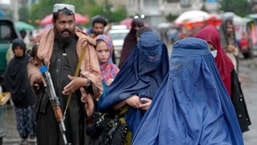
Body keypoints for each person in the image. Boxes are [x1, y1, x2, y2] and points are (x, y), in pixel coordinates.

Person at [132, 37, 244, 145]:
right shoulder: (162, 105)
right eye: (178, 66)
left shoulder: (215, 111)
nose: (183, 73)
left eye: (191, 67)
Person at [27, 3, 102, 145]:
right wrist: (35, 75)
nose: (66, 27)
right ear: (54, 23)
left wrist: (83, 82)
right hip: (48, 110)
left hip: (76, 111)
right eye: (62, 22)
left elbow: (96, 78)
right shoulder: (43, 44)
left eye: (70, 22)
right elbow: (33, 65)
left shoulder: (84, 45)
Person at [99, 32, 170, 145]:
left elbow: (175, 109)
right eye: (147, 55)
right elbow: (109, 104)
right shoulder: (128, 74)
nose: (151, 59)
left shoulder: (168, 78)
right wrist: (126, 98)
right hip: (127, 135)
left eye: (154, 55)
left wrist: (154, 106)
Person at [195, 25, 251, 133]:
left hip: (224, 120)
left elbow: (235, 96)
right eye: (205, 49)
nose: (209, 53)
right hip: (201, 123)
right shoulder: (193, 68)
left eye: (212, 49)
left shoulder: (227, 65)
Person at [4, 38, 36, 145]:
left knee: (31, 117)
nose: (18, 51)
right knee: (21, 119)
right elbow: (7, 79)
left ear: (24, 48)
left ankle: (32, 135)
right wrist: (13, 91)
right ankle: (24, 137)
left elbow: (40, 69)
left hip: (29, 96)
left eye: (20, 48)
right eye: (16, 48)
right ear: (13, 50)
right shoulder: (11, 64)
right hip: (17, 97)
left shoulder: (30, 61)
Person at [94, 34, 120, 107]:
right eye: (99, 51)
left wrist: (115, 84)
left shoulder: (115, 70)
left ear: (111, 50)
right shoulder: (90, 70)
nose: (103, 54)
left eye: (106, 50)